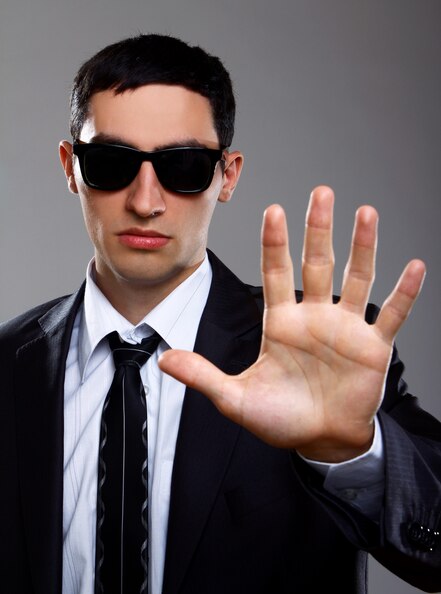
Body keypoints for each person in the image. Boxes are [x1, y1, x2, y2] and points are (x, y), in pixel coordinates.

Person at [0, 34, 440, 594]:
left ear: (226, 175)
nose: (145, 201)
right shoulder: (7, 366)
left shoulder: (318, 355)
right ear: (70, 166)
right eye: (111, 163)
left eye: (183, 167)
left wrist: (354, 454)